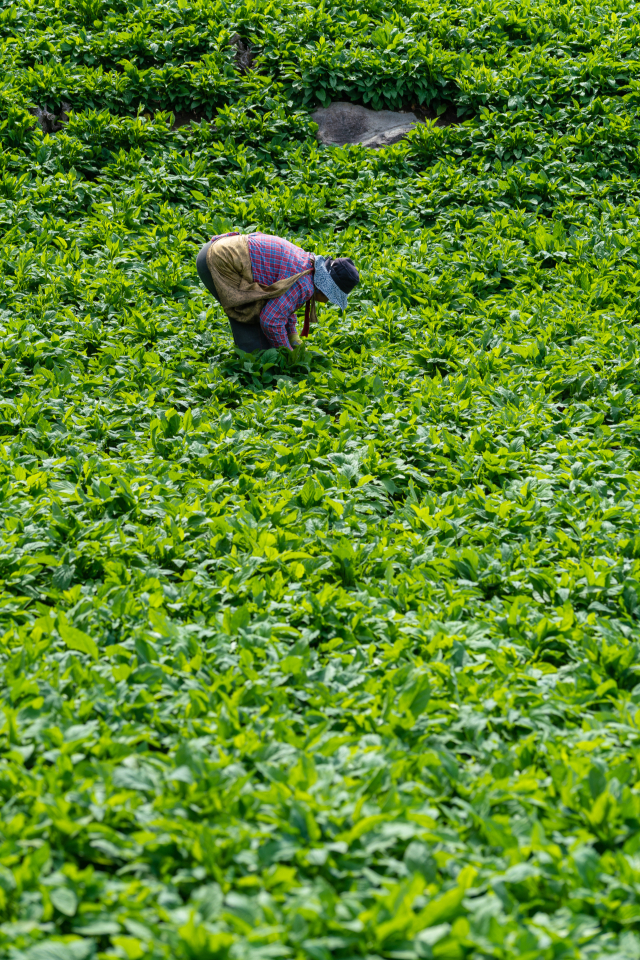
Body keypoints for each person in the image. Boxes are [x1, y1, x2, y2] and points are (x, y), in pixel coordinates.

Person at [196, 231, 359, 351]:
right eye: (333, 296)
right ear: (327, 289)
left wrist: (292, 336)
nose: (329, 301)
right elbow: (271, 320)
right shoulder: (304, 282)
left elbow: (284, 304)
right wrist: (287, 352)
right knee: (257, 349)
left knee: (267, 342)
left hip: (216, 249)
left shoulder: (307, 266)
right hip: (218, 261)